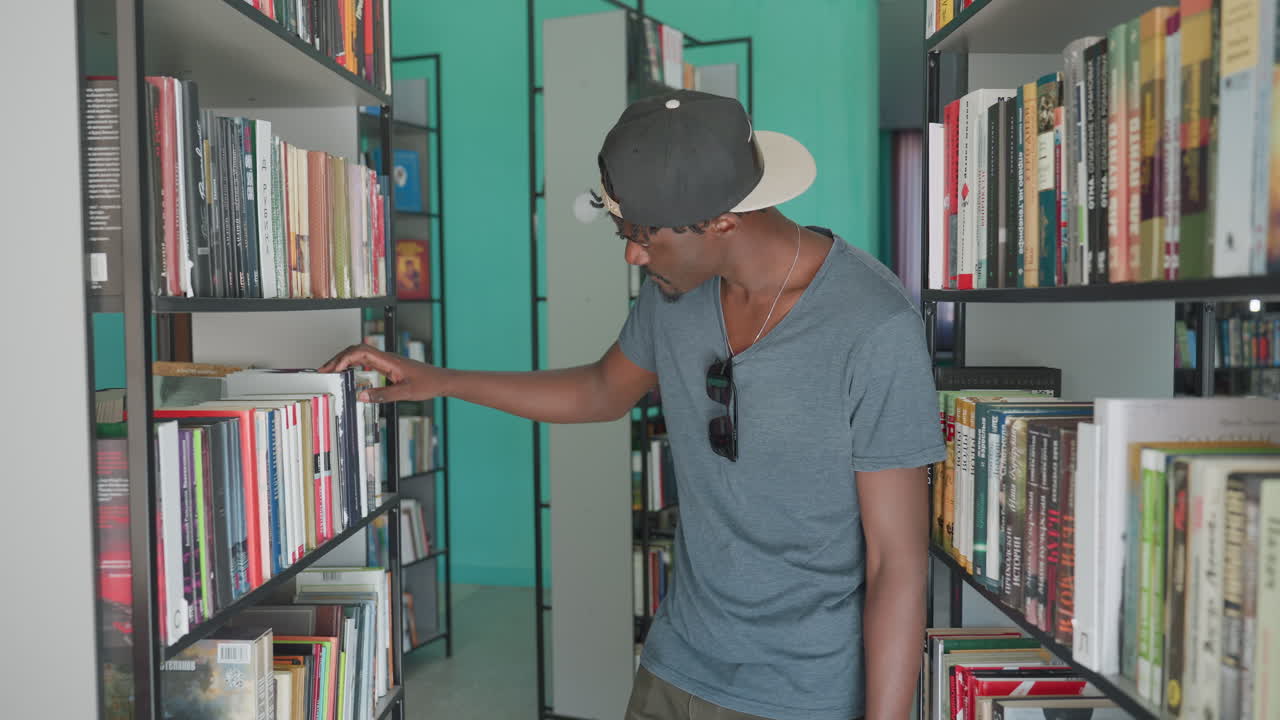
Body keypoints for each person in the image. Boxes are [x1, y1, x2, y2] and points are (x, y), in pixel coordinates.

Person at [321, 90, 945, 720]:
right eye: (625, 234)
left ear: (723, 221)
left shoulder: (873, 325)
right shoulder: (672, 295)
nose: (632, 255)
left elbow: (896, 562)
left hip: (801, 696)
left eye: (644, 237)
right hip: (674, 666)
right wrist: (441, 380)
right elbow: (602, 390)